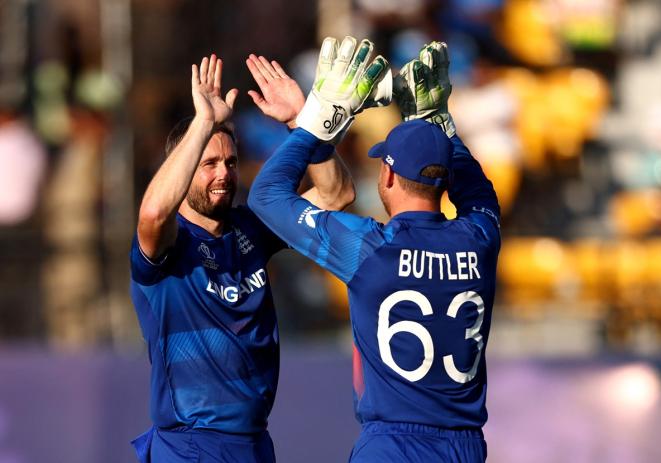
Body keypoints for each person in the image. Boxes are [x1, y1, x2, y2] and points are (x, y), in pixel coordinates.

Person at [248, 39, 500, 462]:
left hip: (392, 446)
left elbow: (267, 197)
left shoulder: (370, 249)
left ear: (386, 177)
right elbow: (480, 194)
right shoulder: (480, 239)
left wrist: (313, 123)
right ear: (443, 180)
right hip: (465, 447)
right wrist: (440, 124)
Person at [129, 52, 355, 463]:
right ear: (181, 169)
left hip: (254, 443)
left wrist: (305, 122)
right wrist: (203, 122)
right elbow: (153, 212)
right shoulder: (166, 246)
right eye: (209, 163)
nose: (223, 174)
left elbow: (335, 195)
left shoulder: (251, 229)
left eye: (230, 162)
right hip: (191, 444)